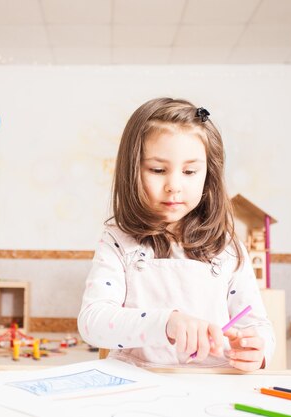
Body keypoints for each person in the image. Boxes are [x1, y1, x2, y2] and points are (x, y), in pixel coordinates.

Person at [78, 97, 275, 371]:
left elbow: (256, 324)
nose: (174, 185)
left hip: (212, 381)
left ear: (209, 175)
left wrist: (259, 348)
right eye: (158, 170)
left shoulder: (228, 246)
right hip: (138, 381)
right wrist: (166, 322)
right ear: (132, 171)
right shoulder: (118, 240)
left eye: (190, 171)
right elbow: (93, 322)